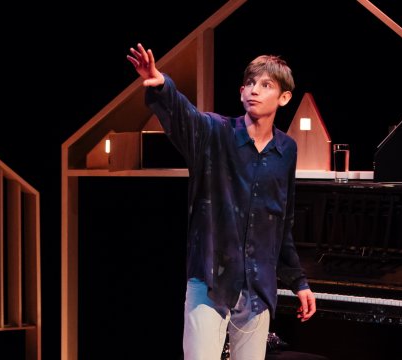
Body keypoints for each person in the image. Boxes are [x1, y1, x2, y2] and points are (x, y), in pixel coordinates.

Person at [127, 43, 316, 360]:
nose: (254, 90)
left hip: (257, 286)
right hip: (211, 277)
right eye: (250, 84)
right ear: (242, 91)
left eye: (266, 85)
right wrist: (161, 84)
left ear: (283, 97)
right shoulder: (215, 132)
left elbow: (282, 222)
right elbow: (184, 117)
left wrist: (298, 281)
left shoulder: (287, 150)